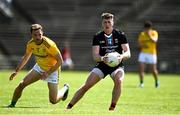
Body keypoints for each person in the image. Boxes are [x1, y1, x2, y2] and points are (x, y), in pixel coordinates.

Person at [67, 13, 131, 111]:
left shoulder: (120, 35)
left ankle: (112, 108)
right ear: (102, 23)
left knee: (119, 81)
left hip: (117, 65)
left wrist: (121, 56)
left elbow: (128, 53)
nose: (107, 24)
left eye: (109, 22)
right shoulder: (97, 36)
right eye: (105, 22)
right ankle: (69, 107)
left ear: (112, 23)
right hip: (102, 65)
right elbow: (95, 56)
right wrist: (102, 59)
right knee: (86, 86)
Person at [7, 24, 69, 107]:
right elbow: (25, 58)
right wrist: (16, 71)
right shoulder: (30, 44)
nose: (38, 37)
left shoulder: (49, 44)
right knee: (21, 84)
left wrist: (48, 73)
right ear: (31, 35)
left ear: (42, 33)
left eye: (39, 34)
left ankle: (65, 88)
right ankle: (12, 105)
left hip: (52, 70)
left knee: (53, 100)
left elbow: (60, 61)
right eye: (35, 35)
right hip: (39, 67)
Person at [137, 21, 159, 88]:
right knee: (141, 69)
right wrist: (143, 46)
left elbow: (155, 40)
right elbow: (139, 44)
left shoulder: (154, 33)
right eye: (145, 28)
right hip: (143, 53)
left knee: (153, 70)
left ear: (150, 28)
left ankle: (156, 81)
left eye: (147, 28)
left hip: (152, 54)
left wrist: (149, 35)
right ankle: (141, 83)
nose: (146, 30)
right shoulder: (142, 34)